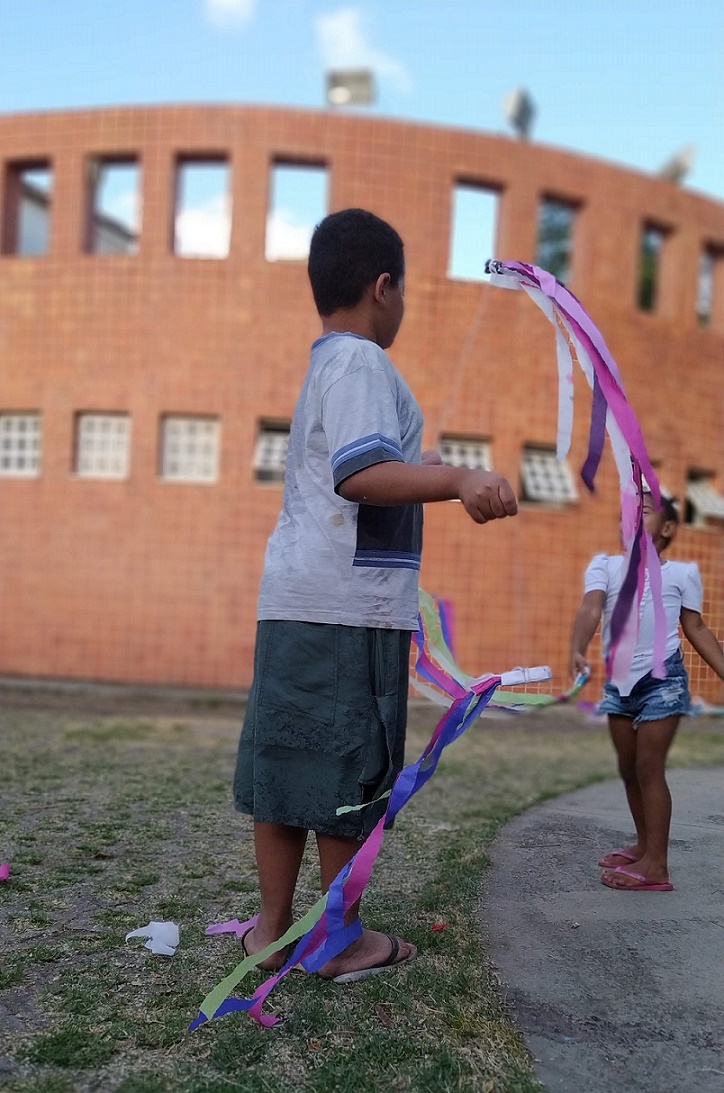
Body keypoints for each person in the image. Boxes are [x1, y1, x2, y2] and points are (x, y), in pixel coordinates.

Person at [234, 208, 518, 981]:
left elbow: (367, 464)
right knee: (347, 773)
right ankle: (337, 940)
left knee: (287, 767)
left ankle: (272, 928)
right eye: (408, 289)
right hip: (346, 612)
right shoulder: (361, 363)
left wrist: (430, 465)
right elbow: (358, 474)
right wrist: (459, 477)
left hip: (298, 601)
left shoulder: (329, 362)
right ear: (382, 286)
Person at [570, 491, 724, 891]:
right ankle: (644, 844)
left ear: (668, 527)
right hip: (619, 685)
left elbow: (696, 629)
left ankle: (657, 865)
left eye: (647, 510)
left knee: (648, 768)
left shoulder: (683, 573)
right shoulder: (604, 566)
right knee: (627, 768)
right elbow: (591, 608)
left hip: (663, 683)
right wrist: (577, 646)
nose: (635, 514)